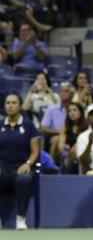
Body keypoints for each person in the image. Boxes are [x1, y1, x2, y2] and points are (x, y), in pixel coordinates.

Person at [0, 92, 39, 230]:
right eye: (8, 103)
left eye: (14, 103)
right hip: (2, 167)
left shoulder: (29, 126)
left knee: (24, 179)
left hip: (21, 166)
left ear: (20, 106)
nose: (10, 106)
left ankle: (20, 219)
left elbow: (35, 151)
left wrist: (28, 164)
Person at [40, 82, 73, 159]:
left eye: (66, 91)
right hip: (56, 135)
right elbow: (43, 128)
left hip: (72, 136)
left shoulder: (74, 108)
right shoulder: (52, 109)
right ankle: (52, 167)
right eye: (61, 91)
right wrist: (59, 132)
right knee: (57, 140)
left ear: (72, 94)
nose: (63, 93)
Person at [57, 102, 87, 173]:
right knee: (65, 155)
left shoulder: (87, 125)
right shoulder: (65, 125)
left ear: (81, 112)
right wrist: (64, 149)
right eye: (69, 111)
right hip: (69, 152)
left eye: (75, 110)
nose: (72, 113)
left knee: (75, 148)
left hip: (84, 151)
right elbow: (61, 145)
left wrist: (73, 151)